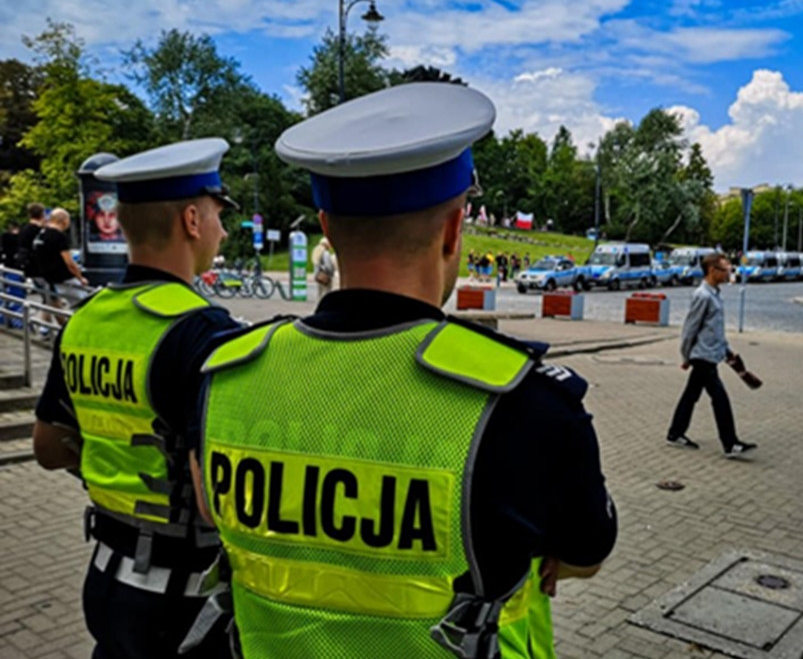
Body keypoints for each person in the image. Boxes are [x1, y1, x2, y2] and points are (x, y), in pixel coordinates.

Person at [192, 83, 617, 658]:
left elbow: (209, 510)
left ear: (327, 226)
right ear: (452, 229)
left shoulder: (228, 374)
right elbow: (585, 554)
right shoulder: (522, 401)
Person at [31, 138, 241, 659]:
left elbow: (46, 447)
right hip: (186, 604)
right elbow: (216, 505)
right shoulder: (204, 333)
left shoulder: (85, 320)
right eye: (219, 213)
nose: (224, 228)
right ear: (192, 219)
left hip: (107, 579)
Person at [666, 252, 758, 458]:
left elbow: (715, 329)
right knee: (720, 398)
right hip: (702, 357)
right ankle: (730, 444)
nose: (728, 274)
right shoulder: (702, 296)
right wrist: (685, 356)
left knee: (691, 395)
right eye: (725, 270)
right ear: (712, 271)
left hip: (711, 354)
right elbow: (690, 328)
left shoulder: (715, 294)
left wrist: (727, 350)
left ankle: (675, 433)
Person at [32, 208, 89, 327]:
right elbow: (69, 262)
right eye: (68, 220)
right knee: (84, 305)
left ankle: (60, 329)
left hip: (48, 278)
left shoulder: (40, 235)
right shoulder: (59, 236)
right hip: (64, 278)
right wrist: (80, 278)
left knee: (54, 305)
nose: (68, 223)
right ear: (62, 220)